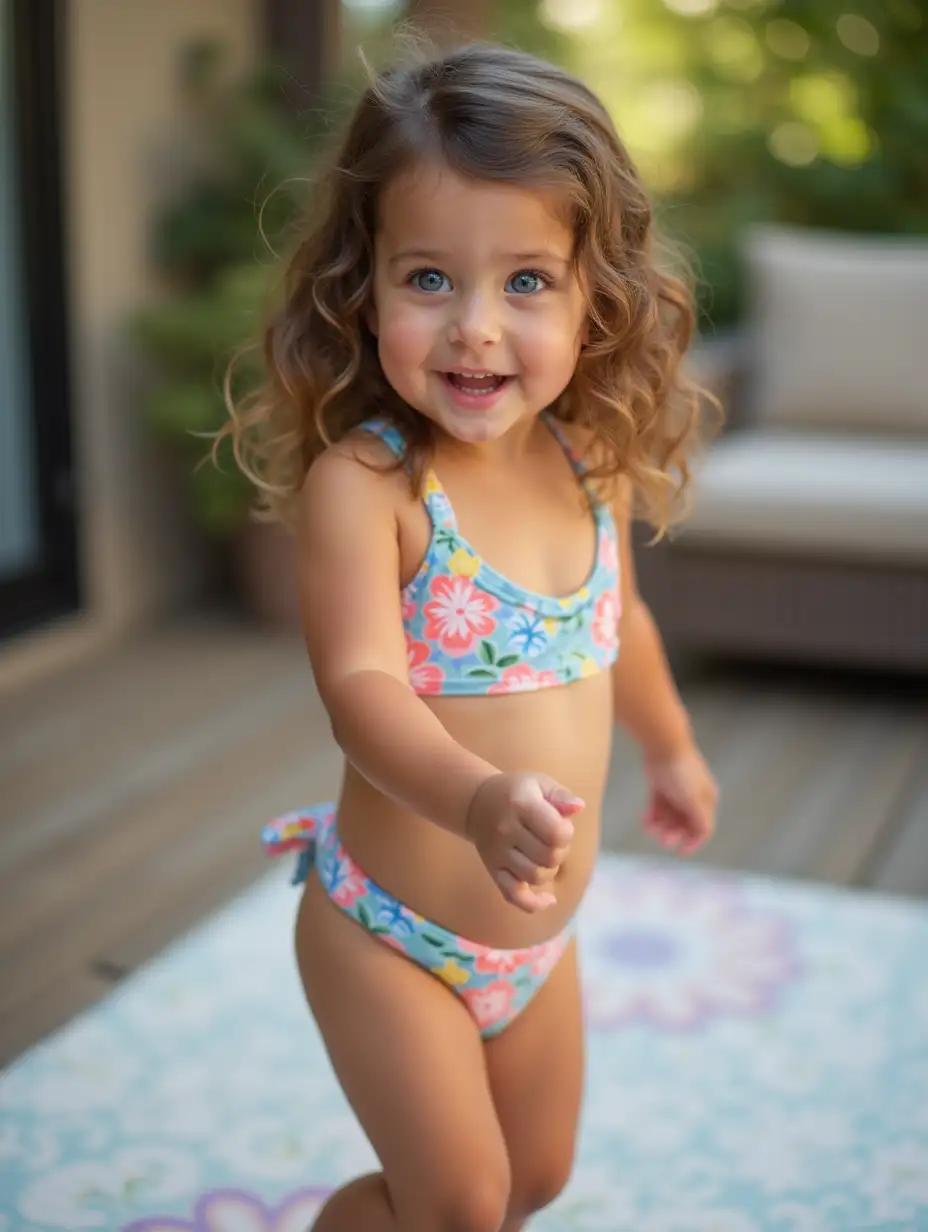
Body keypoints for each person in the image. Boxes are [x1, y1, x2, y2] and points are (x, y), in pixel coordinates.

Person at [222, 40, 718, 1232]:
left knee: (530, 1183)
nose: (474, 329)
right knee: (454, 1200)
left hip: (537, 946)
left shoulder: (581, 460)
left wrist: (672, 746)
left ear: (596, 290)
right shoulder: (371, 484)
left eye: (527, 283)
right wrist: (481, 798)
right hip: (386, 933)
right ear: (365, 282)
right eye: (430, 279)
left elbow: (622, 629)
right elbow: (359, 688)